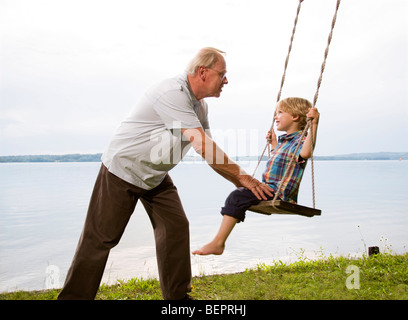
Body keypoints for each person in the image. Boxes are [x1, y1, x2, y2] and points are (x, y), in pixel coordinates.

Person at [57, 47, 273, 300]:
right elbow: (204, 146)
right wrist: (244, 178)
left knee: (175, 227)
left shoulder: (200, 107)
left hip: (155, 177)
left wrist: (242, 181)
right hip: (122, 170)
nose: (226, 80)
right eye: (222, 74)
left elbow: (208, 149)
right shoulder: (172, 92)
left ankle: (178, 299)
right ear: (203, 72)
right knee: (100, 239)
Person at [192, 97, 320, 256]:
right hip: (270, 190)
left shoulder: (300, 140)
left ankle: (218, 243)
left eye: (280, 112)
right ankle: (220, 238)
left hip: (279, 194)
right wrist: (273, 144)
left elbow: (306, 153)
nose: (275, 117)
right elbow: (282, 162)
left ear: (295, 116)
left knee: (236, 196)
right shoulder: (284, 142)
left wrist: (314, 124)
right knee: (241, 190)